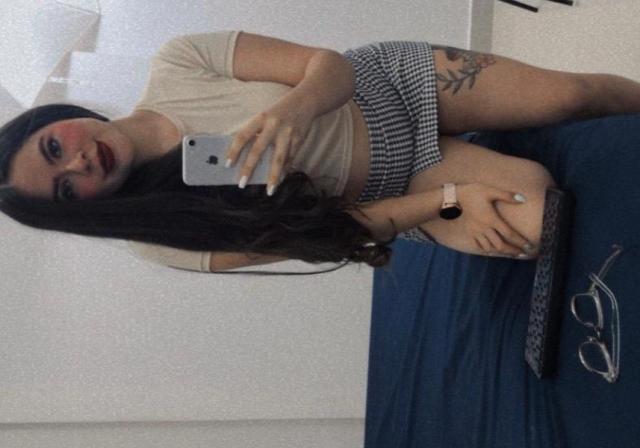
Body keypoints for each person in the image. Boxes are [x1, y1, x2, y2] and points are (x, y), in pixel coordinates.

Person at [1, 30, 640, 275]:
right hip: (405, 188)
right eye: (64, 189)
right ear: (80, 210)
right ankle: (475, 168)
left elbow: (327, 65)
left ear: (60, 119)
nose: (77, 165)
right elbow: (334, 233)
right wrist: (450, 200)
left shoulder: (177, 62)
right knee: (537, 221)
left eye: (54, 147)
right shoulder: (161, 238)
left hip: (391, 88)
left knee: (572, 97)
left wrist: (295, 109)